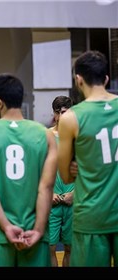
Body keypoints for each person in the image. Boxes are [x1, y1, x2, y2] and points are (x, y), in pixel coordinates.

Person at [0, 73, 57, 267]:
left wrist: (7, 227)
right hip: (34, 234)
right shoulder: (45, 135)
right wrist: (38, 229)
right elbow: (46, 187)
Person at [58, 50, 118, 267]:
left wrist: (79, 163)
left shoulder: (71, 118)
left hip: (91, 214)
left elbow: (64, 175)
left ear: (78, 79)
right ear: (106, 79)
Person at [48, 95, 74, 267]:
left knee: (70, 249)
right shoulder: (46, 136)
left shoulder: (78, 137)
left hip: (72, 200)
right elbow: (37, 169)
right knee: (49, 248)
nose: (63, 116)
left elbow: (87, 169)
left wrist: (76, 193)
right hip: (52, 201)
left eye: (66, 112)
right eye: (60, 113)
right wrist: (48, 193)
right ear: (55, 114)